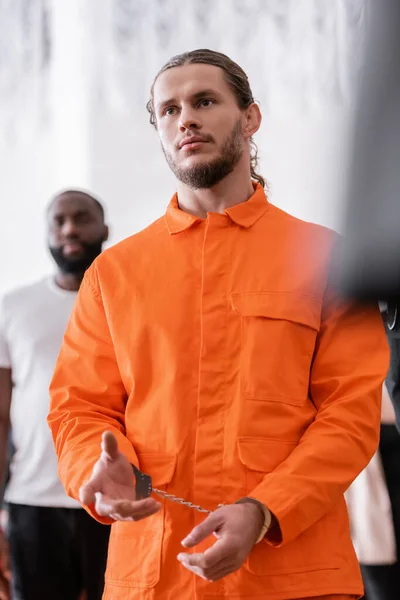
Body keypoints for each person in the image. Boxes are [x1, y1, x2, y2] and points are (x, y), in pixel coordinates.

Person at [48, 50, 389, 600]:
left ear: (250, 118)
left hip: (293, 576)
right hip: (152, 577)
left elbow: (350, 414)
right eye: (168, 109)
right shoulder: (113, 273)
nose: (185, 118)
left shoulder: (326, 259)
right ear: (158, 129)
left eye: (205, 101)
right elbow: (80, 406)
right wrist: (100, 468)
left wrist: (264, 510)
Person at [0, 190, 111, 600]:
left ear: (104, 230)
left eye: (82, 218)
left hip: (113, 497)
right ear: (46, 232)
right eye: (59, 220)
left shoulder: (129, 303)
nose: (70, 229)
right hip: (32, 499)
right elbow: (1, 415)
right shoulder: (14, 306)